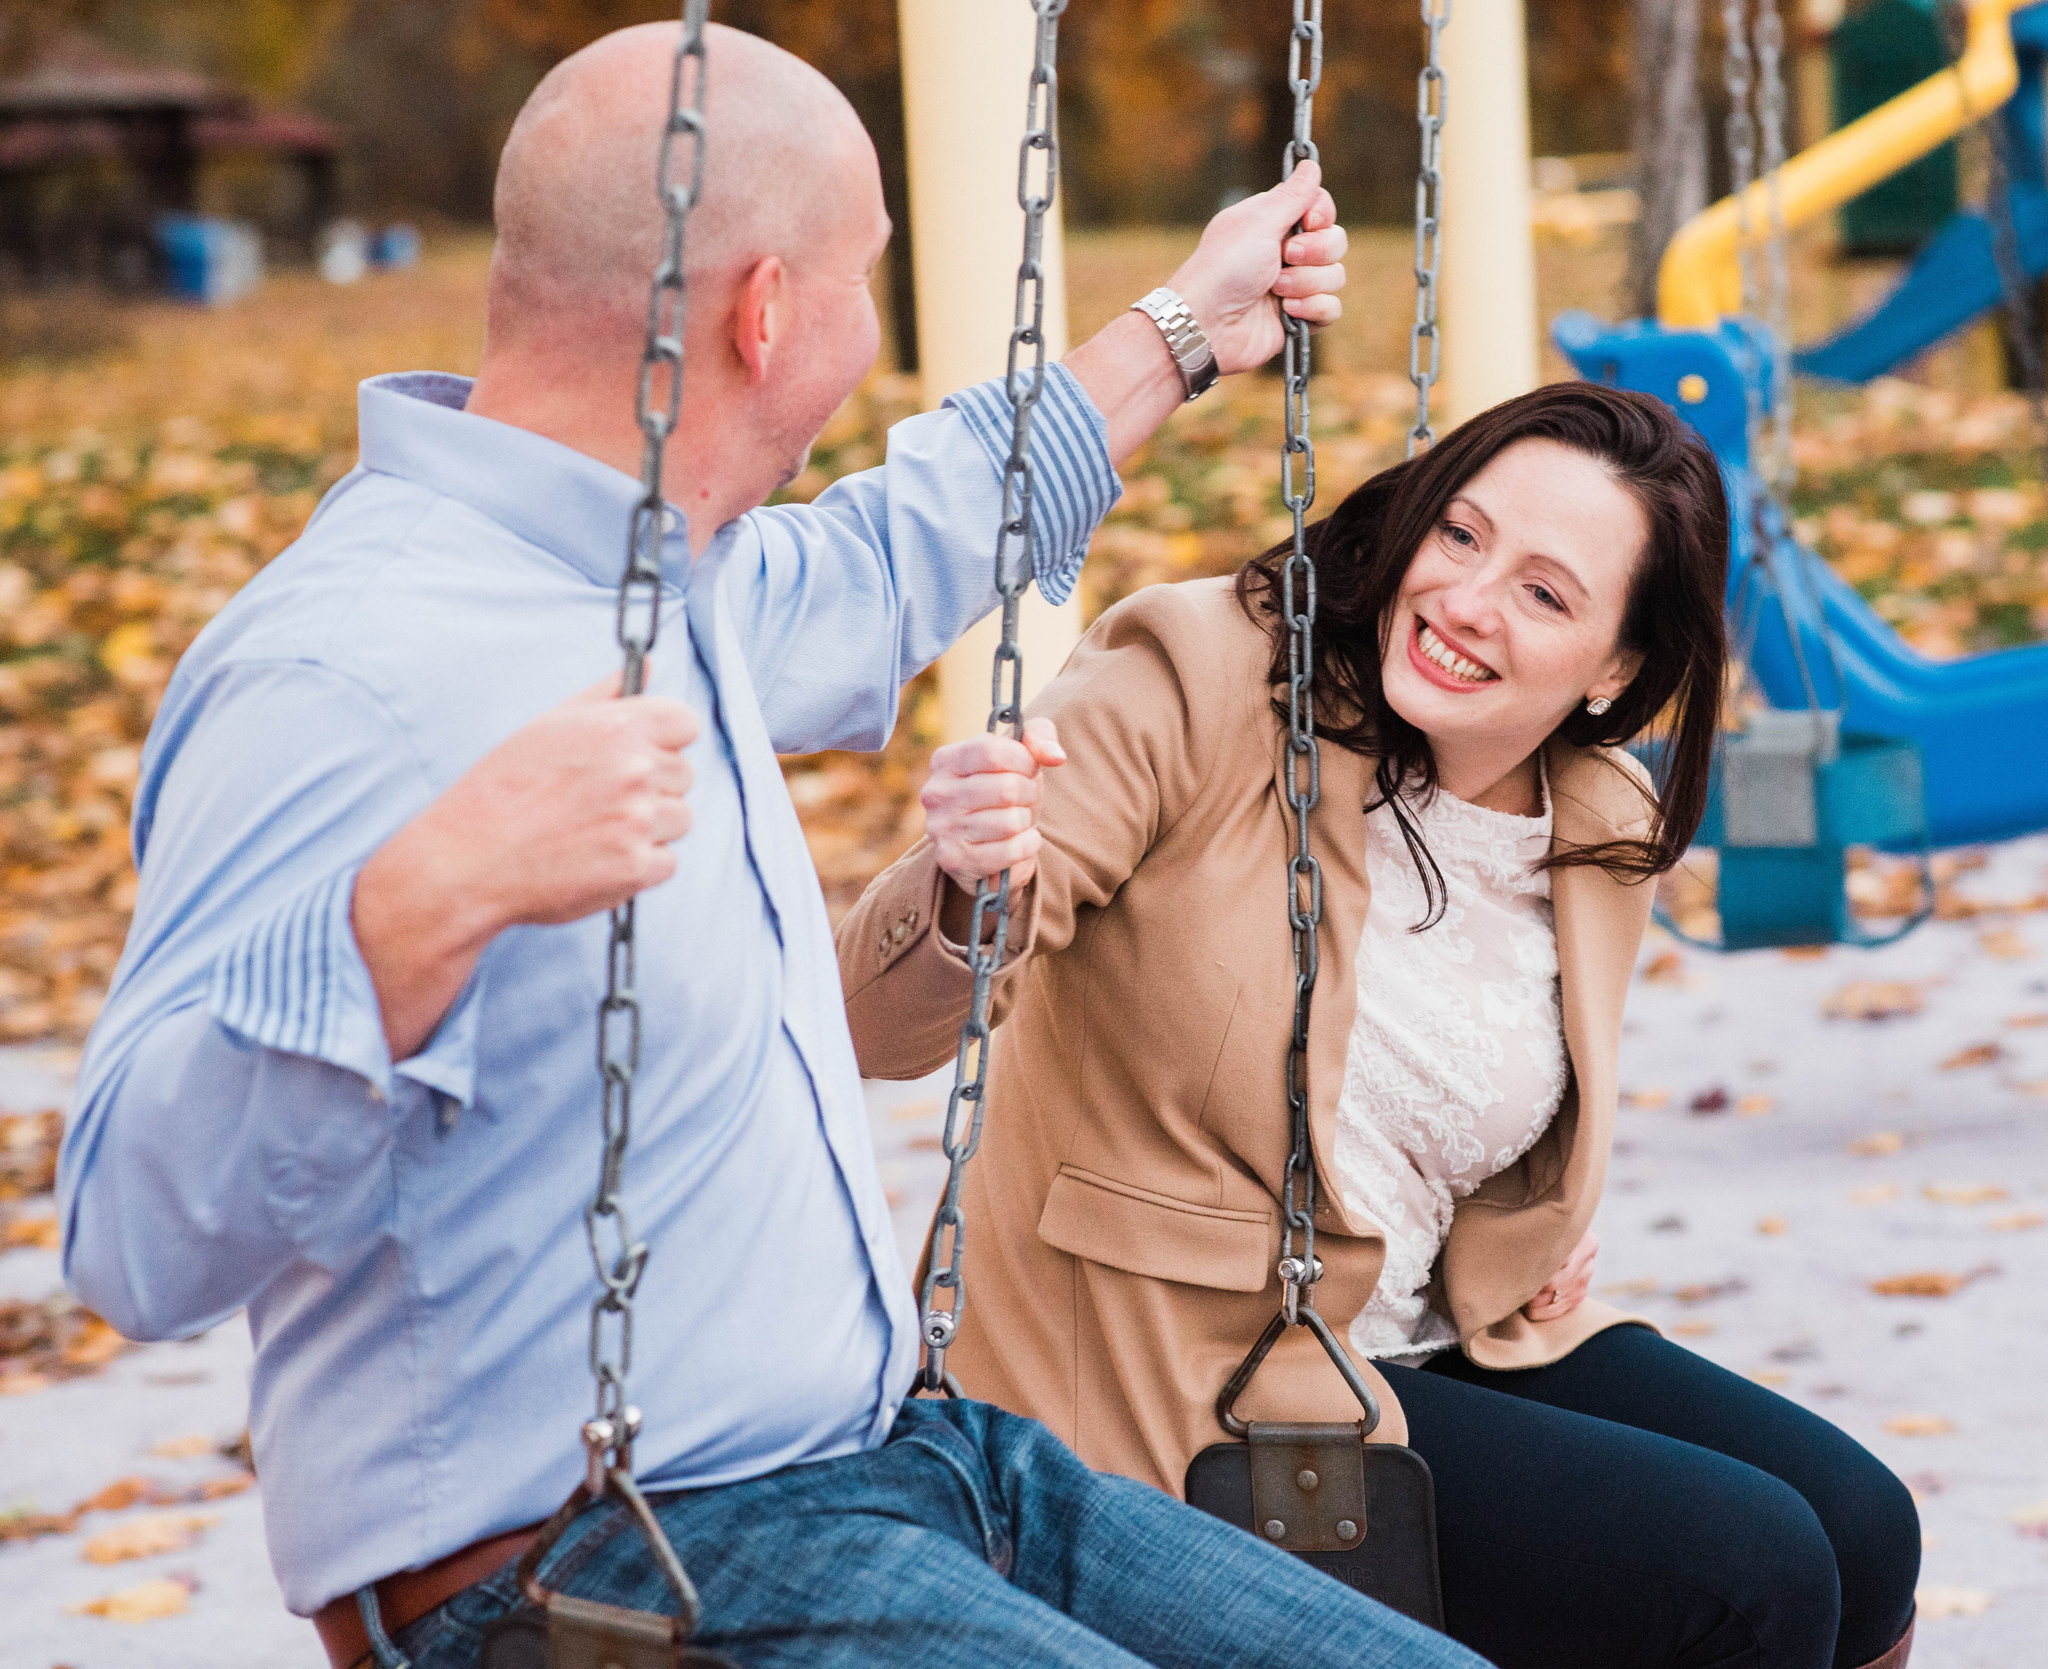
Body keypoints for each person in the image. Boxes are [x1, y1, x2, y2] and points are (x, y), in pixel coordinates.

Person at [58, 22, 1494, 1669]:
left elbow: (896, 548)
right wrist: (418, 907)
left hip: (916, 1464)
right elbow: (132, 1240)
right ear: (762, 310)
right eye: (865, 283)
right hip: (600, 1567)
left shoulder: (671, 573)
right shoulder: (344, 669)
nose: (870, 338)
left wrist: (1185, 329)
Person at [840, 381, 1924, 1669]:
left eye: (1545, 592)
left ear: (1616, 668)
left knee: (1866, 1527)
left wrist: (1528, 1229)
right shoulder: (1197, 675)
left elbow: (1473, 1103)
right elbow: (877, 1018)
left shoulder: (1596, 824)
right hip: (1187, 1360)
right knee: (1746, 1571)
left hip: (1426, 1329)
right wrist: (972, 877)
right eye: (1459, 536)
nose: (1466, 601)